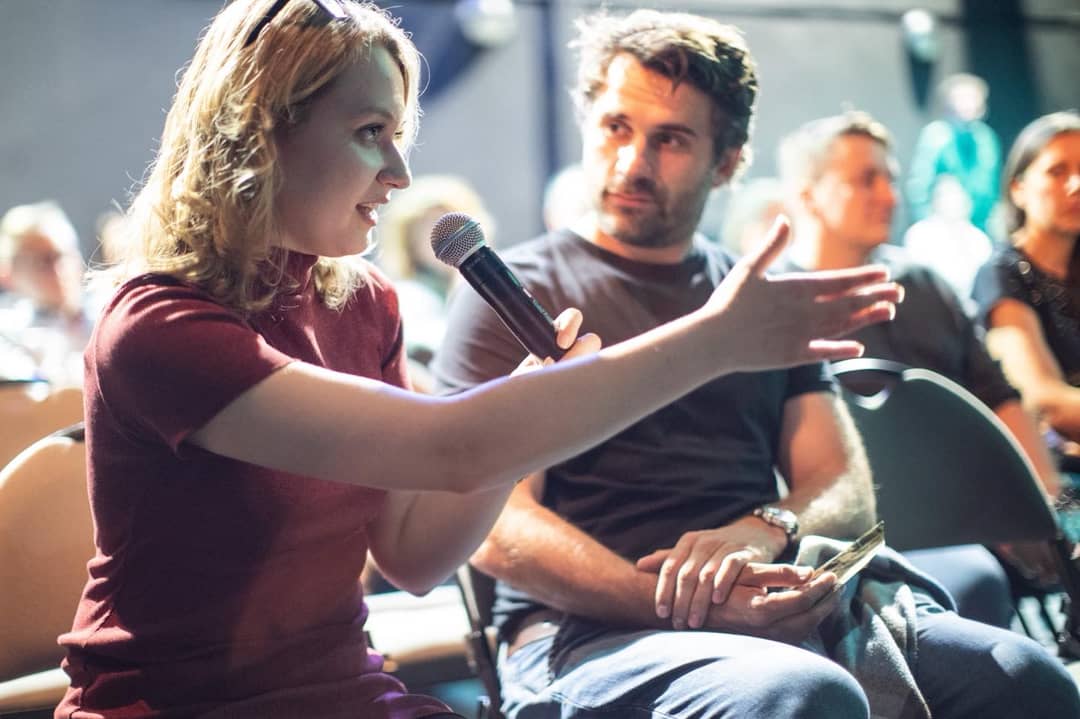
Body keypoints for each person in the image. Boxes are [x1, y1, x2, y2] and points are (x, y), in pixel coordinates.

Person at [54, 2, 900, 717]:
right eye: (370, 132)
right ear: (262, 132)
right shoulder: (158, 325)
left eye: (399, 134)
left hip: (345, 693)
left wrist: (537, 398)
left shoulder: (364, 304)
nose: (398, 171)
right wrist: (713, 340)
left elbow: (414, 555)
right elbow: (452, 447)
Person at [432, 10, 1078, 719]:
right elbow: (496, 525)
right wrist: (674, 602)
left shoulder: (756, 297)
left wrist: (768, 526)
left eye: (670, 139)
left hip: (772, 596)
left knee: (1030, 678)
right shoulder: (516, 293)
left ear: (729, 161)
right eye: (615, 127)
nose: (632, 163)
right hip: (586, 628)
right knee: (801, 695)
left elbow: (842, 482)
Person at [778, 110, 1065, 626]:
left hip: (969, 513)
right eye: (866, 179)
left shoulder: (925, 285)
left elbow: (999, 398)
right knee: (973, 579)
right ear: (808, 195)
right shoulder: (776, 302)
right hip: (851, 531)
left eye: (890, 178)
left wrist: (1042, 505)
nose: (889, 195)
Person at [973, 111, 1080, 470]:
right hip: (1056, 476)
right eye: (1057, 171)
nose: (1076, 184)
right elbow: (1043, 400)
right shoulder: (1001, 273)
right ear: (1018, 189)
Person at [376, 173, 494, 370]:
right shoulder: (408, 294)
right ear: (410, 239)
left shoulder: (484, 284)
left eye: (455, 226)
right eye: (430, 226)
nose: (450, 237)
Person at [0, 200, 90, 385]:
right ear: (8, 273)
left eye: (62, 255)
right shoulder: (7, 332)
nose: (58, 270)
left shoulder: (111, 312)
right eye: (43, 261)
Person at [907, 73, 1002, 235]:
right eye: (963, 99)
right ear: (949, 105)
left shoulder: (986, 138)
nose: (969, 105)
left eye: (973, 99)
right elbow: (919, 188)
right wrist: (928, 227)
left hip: (981, 229)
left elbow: (993, 188)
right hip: (944, 229)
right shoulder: (936, 136)